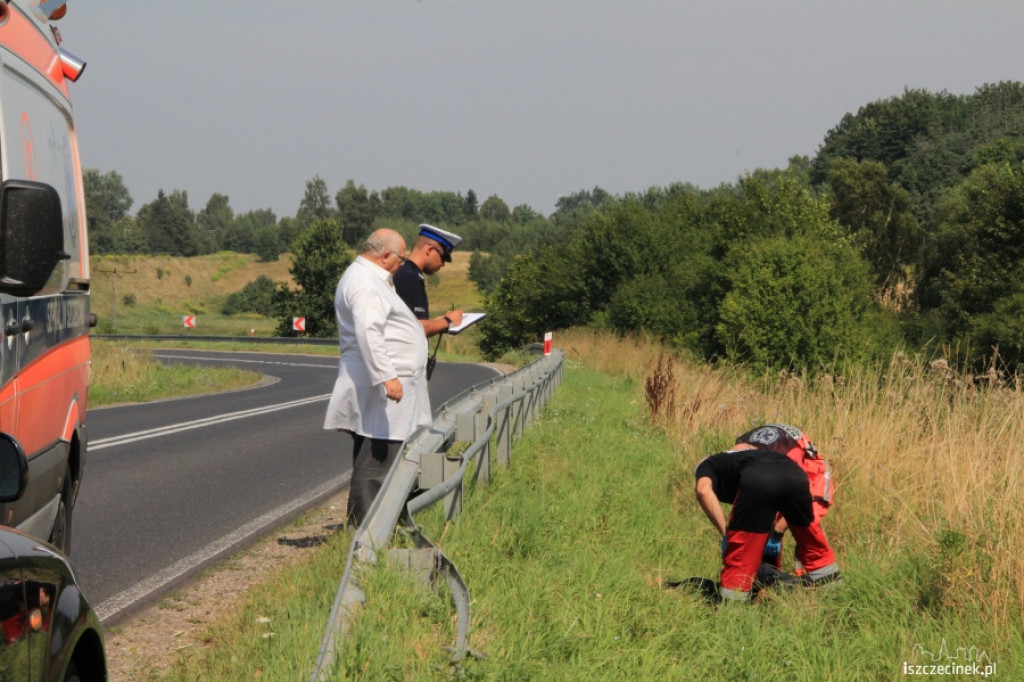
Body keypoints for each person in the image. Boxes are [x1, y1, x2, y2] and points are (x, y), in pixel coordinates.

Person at [323, 228, 432, 527]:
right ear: (385, 256)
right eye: (400, 258)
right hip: (379, 387)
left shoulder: (369, 278)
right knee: (376, 460)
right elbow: (368, 331)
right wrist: (388, 377)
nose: (403, 264)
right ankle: (368, 531)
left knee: (379, 456)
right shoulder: (365, 282)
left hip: (382, 383)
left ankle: (371, 525)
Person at [693, 424, 841, 602]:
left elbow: (703, 490)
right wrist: (776, 533)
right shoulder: (755, 450)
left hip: (791, 470)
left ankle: (732, 607)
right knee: (813, 545)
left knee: (740, 556)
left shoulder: (709, 464)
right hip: (798, 476)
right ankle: (836, 594)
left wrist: (727, 534)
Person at [393, 223, 465, 337]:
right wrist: (447, 321)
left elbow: (411, 323)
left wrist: (438, 322)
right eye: (443, 257)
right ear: (430, 250)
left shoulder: (407, 272)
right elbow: (417, 329)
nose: (443, 264)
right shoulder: (409, 277)